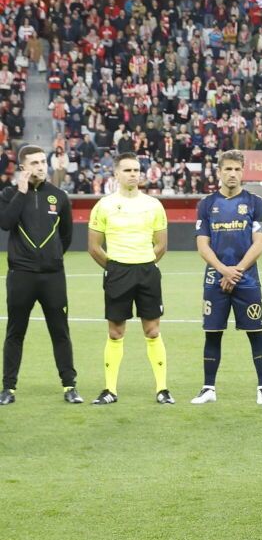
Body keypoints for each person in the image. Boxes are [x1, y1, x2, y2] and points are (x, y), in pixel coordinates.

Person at [87, 149, 173, 405]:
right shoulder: (104, 205)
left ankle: (162, 389)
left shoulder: (153, 204)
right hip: (118, 272)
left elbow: (161, 245)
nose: (133, 174)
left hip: (147, 271)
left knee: (153, 330)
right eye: (127, 170)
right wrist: (115, 267)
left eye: (136, 170)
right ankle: (110, 390)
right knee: (115, 332)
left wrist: (142, 262)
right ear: (116, 174)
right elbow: (94, 246)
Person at [0, 143, 80, 406]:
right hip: (21, 275)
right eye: (34, 163)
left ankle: (70, 386)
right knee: (15, 332)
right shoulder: (9, 194)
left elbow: (66, 235)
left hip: (52, 276)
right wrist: (21, 193)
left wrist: (53, 257)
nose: (40, 166)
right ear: (23, 167)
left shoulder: (59, 196)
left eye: (43, 162)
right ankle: (8, 389)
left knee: (60, 332)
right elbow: (5, 223)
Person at [191, 151, 262, 406]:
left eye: (237, 169)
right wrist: (224, 270)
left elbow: (260, 243)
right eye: (228, 169)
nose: (233, 174)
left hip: (247, 279)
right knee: (212, 333)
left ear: (243, 171)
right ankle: (208, 388)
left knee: (256, 332)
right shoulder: (206, 204)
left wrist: (235, 271)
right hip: (215, 278)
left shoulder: (255, 202)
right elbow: (203, 245)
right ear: (219, 172)